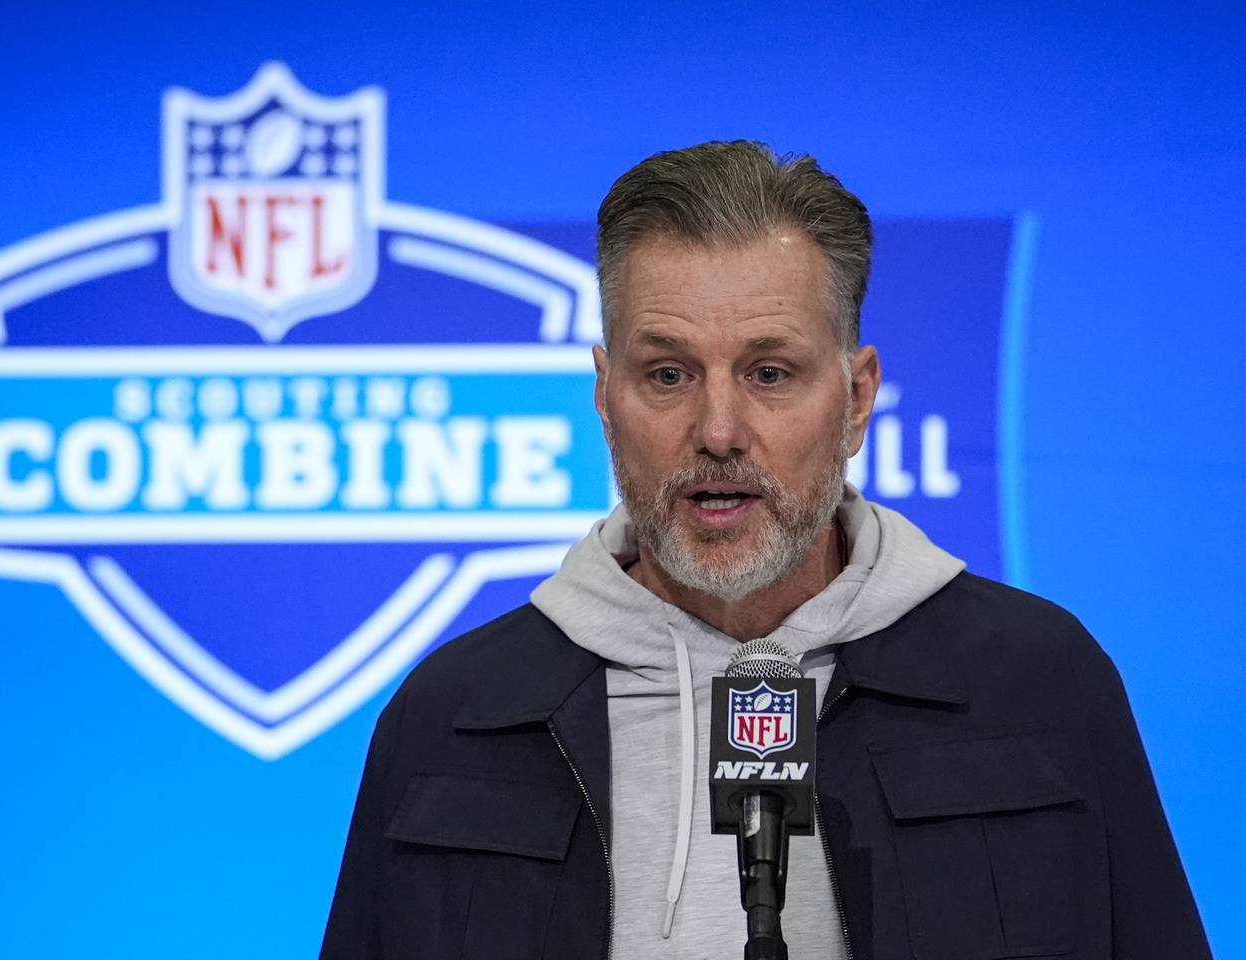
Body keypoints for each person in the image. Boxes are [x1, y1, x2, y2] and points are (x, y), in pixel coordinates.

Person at [321, 141, 1210, 959]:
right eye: (667, 374)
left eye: (769, 373)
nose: (717, 431)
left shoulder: (1037, 681)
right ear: (603, 395)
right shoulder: (455, 716)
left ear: (858, 399)